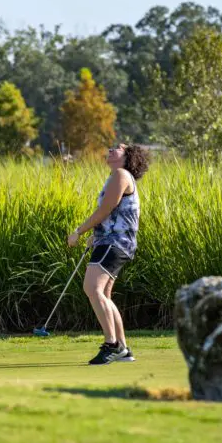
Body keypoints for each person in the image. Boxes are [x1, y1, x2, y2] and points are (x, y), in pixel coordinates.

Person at [68, 143, 150, 365]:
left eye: (119, 148)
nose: (112, 149)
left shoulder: (122, 175)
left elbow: (106, 209)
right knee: (103, 292)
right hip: (112, 241)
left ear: (128, 157)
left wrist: (79, 231)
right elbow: (112, 215)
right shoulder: (115, 176)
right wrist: (97, 234)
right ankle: (122, 348)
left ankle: (111, 345)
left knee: (91, 287)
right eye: (111, 147)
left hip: (116, 243)